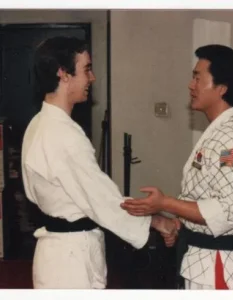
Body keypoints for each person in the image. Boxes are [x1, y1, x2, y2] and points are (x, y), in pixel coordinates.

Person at [21, 36, 178, 289]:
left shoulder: (38, 125)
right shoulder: (63, 135)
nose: (92, 78)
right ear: (64, 74)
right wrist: (159, 221)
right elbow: (101, 200)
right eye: (86, 69)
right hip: (72, 261)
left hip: (57, 254)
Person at [121, 44, 233, 290]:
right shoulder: (221, 131)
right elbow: (208, 197)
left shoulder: (232, 138)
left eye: (198, 78)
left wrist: (165, 203)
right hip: (206, 261)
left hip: (220, 265)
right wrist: (180, 222)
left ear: (221, 88)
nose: (191, 85)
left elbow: (226, 211)